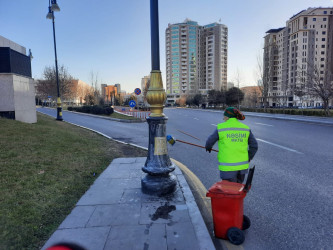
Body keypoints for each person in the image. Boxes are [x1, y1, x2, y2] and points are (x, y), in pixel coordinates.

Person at [205, 107, 258, 183]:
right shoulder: (245, 128)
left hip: (227, 168)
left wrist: (208, 148)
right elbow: (254, 146)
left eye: (224, 117)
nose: (223, 119)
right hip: (242, 168)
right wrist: (249, 157)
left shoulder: (221, 127)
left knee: (229, 191)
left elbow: (209, 142)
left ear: (227, 117)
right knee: (238, 190)